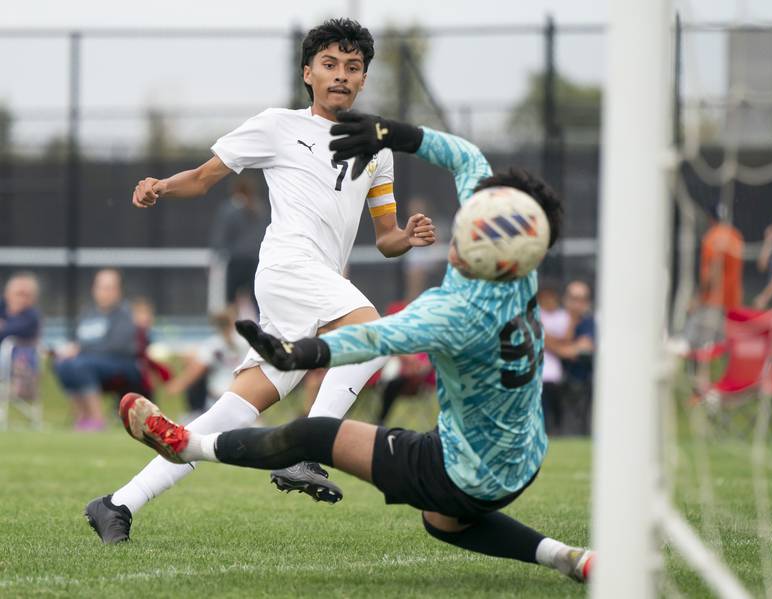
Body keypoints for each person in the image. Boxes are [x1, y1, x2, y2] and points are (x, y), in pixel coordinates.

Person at [117, 113, 594, 583]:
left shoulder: (453, 310)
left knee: (309, 434)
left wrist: (300, 354)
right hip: (525, 458)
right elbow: (467, 157)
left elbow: (373, 337)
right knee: (440, 519)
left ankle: (186, 447)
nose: (465, 222)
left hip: (455, 465)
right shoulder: (518, 267)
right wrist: (391, 134)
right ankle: (121, 502)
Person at [85, 18, 436, 544]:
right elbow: (205, 178)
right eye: (330, 65)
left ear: (363, 79)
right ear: (308, 73)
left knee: (228, 414)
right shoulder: (277, 125)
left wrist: (406, 235)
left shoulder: (378, 148)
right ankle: (312, 451)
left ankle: (117, 503)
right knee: (372, 331)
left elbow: (384, 236)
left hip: (314, 285)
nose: (341, 75)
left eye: (353, 67)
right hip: (286, 267)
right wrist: (161, 184)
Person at [54, 269, 140, 431]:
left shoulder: (125, 314)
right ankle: (81, 417)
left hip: (121, 364)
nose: (105, 292)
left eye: (110, 288)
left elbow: (119, 345)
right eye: (101, 287)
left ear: (118, 291)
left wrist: (82, 350)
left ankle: (97, 419)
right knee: (62, 364)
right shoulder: (87, 313)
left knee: (81, 365)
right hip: (87, 361)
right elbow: (76, 340)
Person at [165, 308, 251, 421]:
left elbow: (196, 370)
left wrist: (176, 386)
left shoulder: (213, 344)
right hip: (243, 398)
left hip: (218, 399)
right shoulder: (246, 342)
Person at [685, 203, 743, 349]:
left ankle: (701, 371)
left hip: (713, 301)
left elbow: (714, 270)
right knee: (723, 347)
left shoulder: (712, 238)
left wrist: (699, 298)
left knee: (700, 343)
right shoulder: (736, 236)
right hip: (732, 301)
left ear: (711, 219)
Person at [210, 175, 267, 317]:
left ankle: (232, 333)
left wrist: (217, 255)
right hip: (257, 262)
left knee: (230, 301)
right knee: (258, 302)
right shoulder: (261, 208)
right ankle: (263, 333)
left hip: (237, 261)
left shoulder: (229, 209)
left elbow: (220, 238)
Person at [549, 281, 595, 436]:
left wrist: (555, 347)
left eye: (582, 299)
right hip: (553, 385)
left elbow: (582, 348)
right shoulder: (555, 318)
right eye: (574, 298)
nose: (577, 304)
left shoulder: (589, 323)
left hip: (581, 383)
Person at [0, 272, 42, 401]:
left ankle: (22, 385)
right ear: (7, 294)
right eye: (18, 294)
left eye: (27, 295)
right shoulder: (3, 308)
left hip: (17, 362)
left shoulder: (31, 317)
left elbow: (7, 331)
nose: (22, 299)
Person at [538, 285, 569, 436]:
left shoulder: (563, 316)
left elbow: (567, 339)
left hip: (556, 373)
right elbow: (540, 337)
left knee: (557, 407)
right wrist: (562, 349)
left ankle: (557, 431)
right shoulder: (536, 315)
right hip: (539, 372)